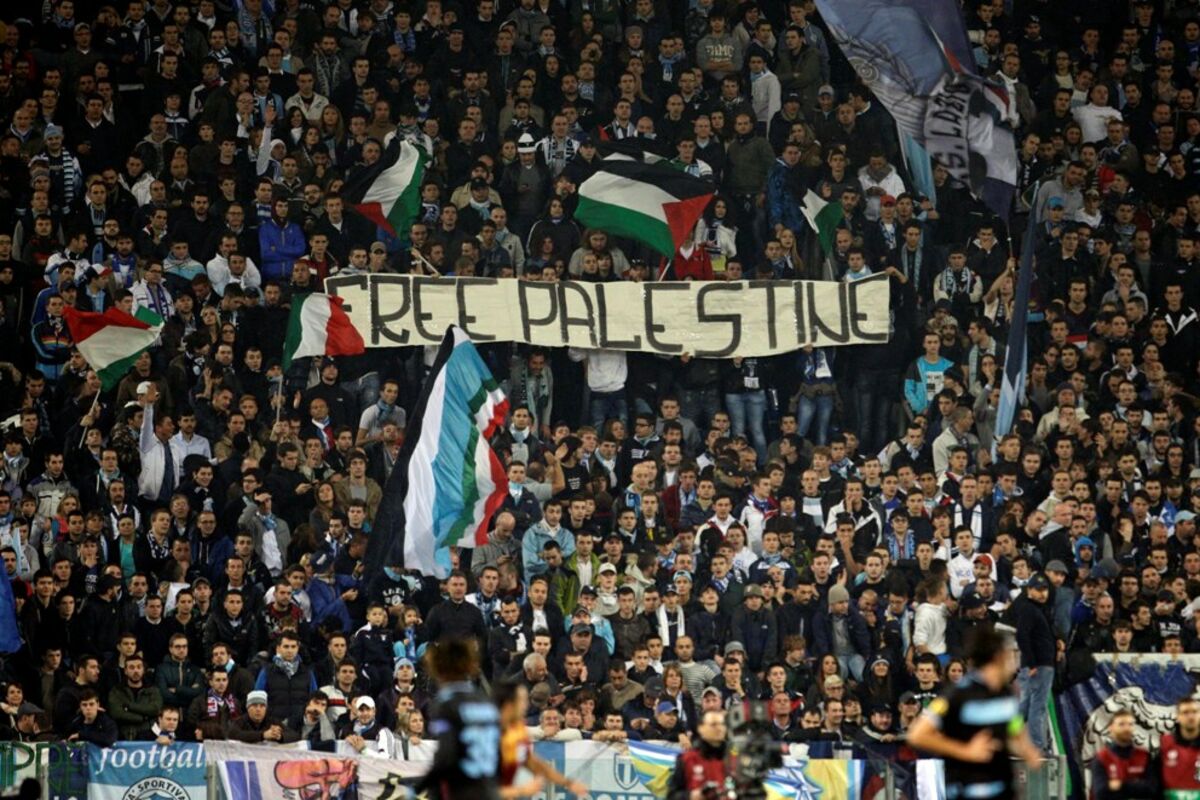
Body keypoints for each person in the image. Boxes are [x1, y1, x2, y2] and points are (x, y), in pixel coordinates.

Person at [907, 627, 1042, 800]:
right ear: (999, 657)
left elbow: (1013, 725)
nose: (1016, 663)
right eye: (1012, 655)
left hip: (1002, 789)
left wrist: (1027, 750)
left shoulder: (1006, 693)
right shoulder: (958, 694)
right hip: (966, 790)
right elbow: (917, 735)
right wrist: (965, 751)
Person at [417, 638, 502, 800]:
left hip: (461, 791)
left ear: (438, 669)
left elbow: (446, 756)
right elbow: (499, 753)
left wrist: (420, 787)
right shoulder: (486, 701)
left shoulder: (446, 704)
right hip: (489, 791)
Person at [495, 681, 589, 798]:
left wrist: (568, 783)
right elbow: (479, 788)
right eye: (522, 701)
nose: (526, 705)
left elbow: (533, 763)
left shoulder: (517, 731)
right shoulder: (488, 734)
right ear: (509, 704)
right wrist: (522, 791)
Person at [1092, 709, 1157, 800]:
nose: (1126, 728)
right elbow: (1100, 793)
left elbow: (1152, 790)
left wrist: (1121, 785)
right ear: (1111, 728)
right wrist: (1137, 785)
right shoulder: (1101, 757)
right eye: (1121, 724)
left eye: (1130, 724)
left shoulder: (1144, 755)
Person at [667, 709, 730, 799]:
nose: (719, 728)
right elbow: (672, 796)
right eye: (713, 724)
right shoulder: (687, 759)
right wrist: (691, 796)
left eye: (722, 724)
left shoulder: (734, 758)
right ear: (701, 728)